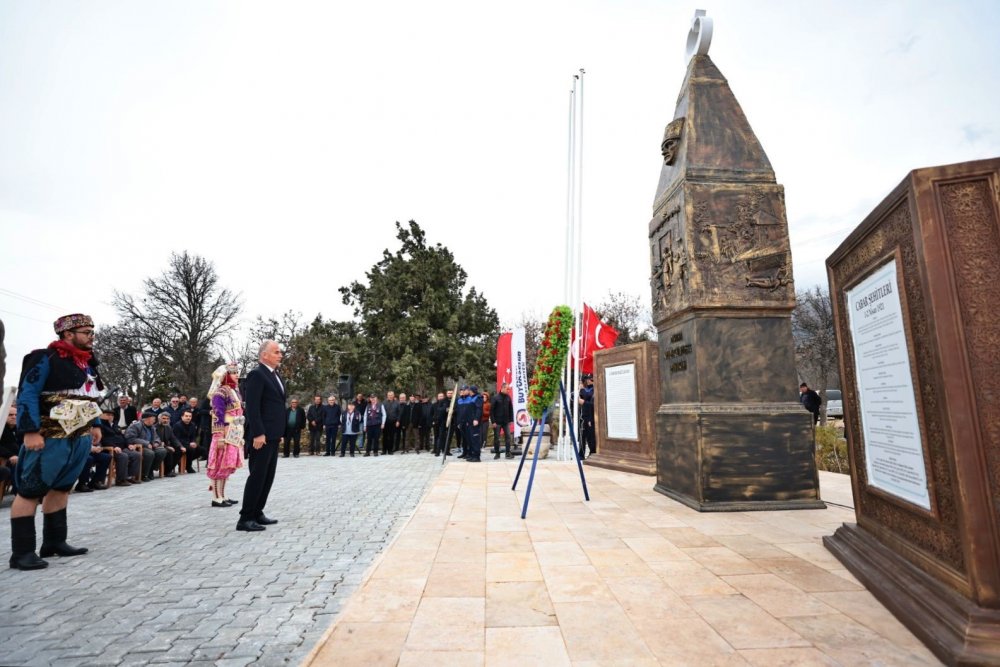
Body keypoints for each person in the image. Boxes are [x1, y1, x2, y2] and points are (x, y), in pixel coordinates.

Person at [9, 313, 103, 570]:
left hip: (79, 437)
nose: (91, 336)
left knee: (62, 487)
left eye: (92, 332)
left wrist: (95, 425)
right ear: (67, 334)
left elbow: (91, 399)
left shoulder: (88, 364)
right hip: (49, 436)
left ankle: (54, 542)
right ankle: (21, 552)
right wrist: (29, 431)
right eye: (86, 332)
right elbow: (28, 393)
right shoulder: (44, 358)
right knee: (30, 489)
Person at [238, 340, 285, 532]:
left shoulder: (275, 375)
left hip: (273, 435)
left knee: (268, 476)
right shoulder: (256, 374)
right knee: (257, 476)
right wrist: (258, 433)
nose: (280, 354)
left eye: (280, 352)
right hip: (261, 436)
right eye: (276, 352)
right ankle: (245, 518)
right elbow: (253, 407)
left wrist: (279, 432)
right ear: (264, 355)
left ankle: (258, 512)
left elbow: (276, 405)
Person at [207, 363, 245, 507]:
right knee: (219, 464)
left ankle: (223, 495)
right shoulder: (220, 392)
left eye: (237, 372)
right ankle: (216, 497)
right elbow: (217, 415)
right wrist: (220, 437)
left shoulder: (234, 391)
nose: (237, 375)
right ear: (226, 376)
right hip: (224, 433)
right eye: (233, 373)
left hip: (234, 432)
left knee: (227, 465)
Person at [97, 407, 139, 486]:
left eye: (112, 415)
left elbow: (123, 437)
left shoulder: (115, 425)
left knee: (136, 454)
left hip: (122, 447)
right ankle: (120, 480)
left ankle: (130, 477)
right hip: (110, 449)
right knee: (123, 456)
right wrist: (113, 447)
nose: (110, 417)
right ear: (101, 415)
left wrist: (129, 444)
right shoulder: (100, 426)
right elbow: (103, 439)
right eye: (108, 415)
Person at [125, 410, 165, 481]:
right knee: (150, 453)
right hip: (138, 447)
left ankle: (150, 470)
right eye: (153, 419)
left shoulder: (152, 427)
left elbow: (157, 437)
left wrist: (156, 442)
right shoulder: (135, 426)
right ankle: (143, 474)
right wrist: (146, 443)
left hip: (151, 446)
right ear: (147, 419)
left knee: (162, 451)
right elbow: (131, 438)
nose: (154, 420)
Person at [491, 383, 515, 459]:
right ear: (503, 388)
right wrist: (493, 422)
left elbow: (511, 409)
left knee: (508, 437)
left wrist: (511, 420)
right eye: (507, 389)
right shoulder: (495, 397)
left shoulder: (508, 397)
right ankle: (497, 453)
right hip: (497, 422)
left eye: (509, 389)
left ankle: (508, 453)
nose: (508, 390)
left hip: (506, 422)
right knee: (497, 438)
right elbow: (491, 411)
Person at [172, 409, 200, 473]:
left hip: (189, 443)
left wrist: (193, 442)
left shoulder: (192, 425)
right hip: (180, 444)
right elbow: (176, 438)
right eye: (186, 416)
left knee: (202, 450)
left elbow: (193, 436)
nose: (188, 418)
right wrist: (189, 443)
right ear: (182, 417)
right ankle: (188, 466)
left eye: (190, 416)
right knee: (191, 449)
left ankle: (184, 463)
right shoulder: (177, 425)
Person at [1, 404, 21, 493]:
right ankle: (20, 493)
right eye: (10, 415)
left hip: (19, 457)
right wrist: (10, 455)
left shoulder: (19, 429)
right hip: (6, 459)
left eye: (16, 415)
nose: (14, 417)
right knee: (16, 464)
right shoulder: (1, 429)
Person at [578, 374, 596, 459]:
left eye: (591, 380)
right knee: (582, 436)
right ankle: (581, 453)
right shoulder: (586, 390)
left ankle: (592, 452)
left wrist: (581, 390)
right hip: (583, 415)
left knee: (590, 437)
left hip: (590, 416)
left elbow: (591, 402)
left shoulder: (594, 390)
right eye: (588, 379)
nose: (589, 381)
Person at [431, 391, 448, 456]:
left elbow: (445, 412)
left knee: (442, 436)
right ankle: (435, 449)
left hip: (443, 423)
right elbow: (431, 414)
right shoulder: (434, 405)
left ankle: (441, 450)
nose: (440, 397)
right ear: (437, 397)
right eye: (439, 396)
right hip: (435, 423)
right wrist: (432, 421)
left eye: (441, 396)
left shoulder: (445, 404)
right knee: (436, 436)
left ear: (443, 397)